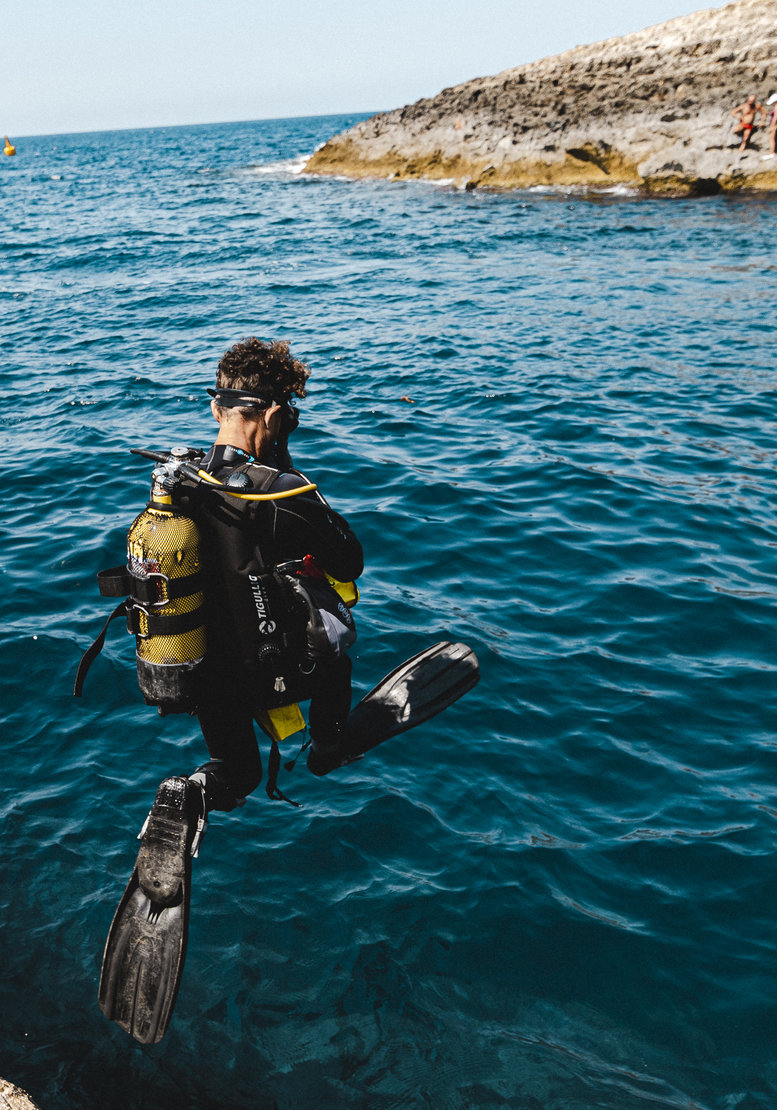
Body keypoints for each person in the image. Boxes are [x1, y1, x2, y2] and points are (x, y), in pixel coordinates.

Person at [76, 337, 479, 1045]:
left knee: (233, 771)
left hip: (202, 675)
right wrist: (283, 466)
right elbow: (352, 556)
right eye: (289, 415)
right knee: (336, 624)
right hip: (283, 670)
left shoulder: (180, 480)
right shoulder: (285, 488)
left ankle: (190, 793)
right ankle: (325, 746)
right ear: (270, 412)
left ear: (214, 405)